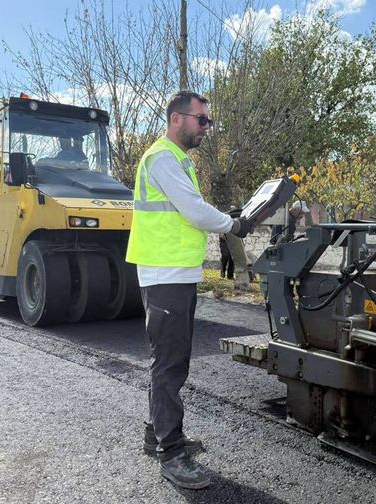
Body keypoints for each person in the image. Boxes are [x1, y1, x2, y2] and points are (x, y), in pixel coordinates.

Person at [126, 90, 252, 490]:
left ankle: (157, 434)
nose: (206, 129)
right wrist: (235, 225)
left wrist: (228, 218)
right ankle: (171, 453)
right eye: (202, 121)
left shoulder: (176, 161)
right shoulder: (162, 158)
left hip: (173, 273)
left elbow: (192, 211)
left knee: (167, 359)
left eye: (208, 122)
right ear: (177, 118)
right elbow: (194, 212)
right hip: (165, 275)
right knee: (170, 363)